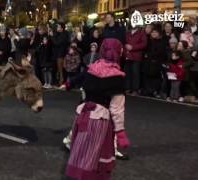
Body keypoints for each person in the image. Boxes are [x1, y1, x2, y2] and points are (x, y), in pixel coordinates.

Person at [64, 38, 130, 180]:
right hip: (100, 121)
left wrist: (69, 84)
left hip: (83, 116)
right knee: (95, 159)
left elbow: (81, 77)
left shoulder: (92, 68)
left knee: (81, 154)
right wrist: (121, 133)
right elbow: (116, 108)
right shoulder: (118, 77)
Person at [143, 28, 166, 97]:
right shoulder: (149, 41)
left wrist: (149, 55)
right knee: (147, 76)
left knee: (155, 77)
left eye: (155, 32)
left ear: (159, 33)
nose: (154, 33)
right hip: (148, 62)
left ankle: (155, 91)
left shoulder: (161, 41)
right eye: (152, 32)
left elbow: (160, 52)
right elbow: (145, 50)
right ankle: (148, 90)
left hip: (156, 62)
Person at [124, 25, 147, 95]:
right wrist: (125, 48)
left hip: (136, 56)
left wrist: (133, 47)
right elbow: (124, 42)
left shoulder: (141, 33)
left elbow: (144, 44)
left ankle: (135, 89)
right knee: (127, 73)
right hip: (127, 56)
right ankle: (127, 88)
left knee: (135, 73)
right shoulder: (127, 33)